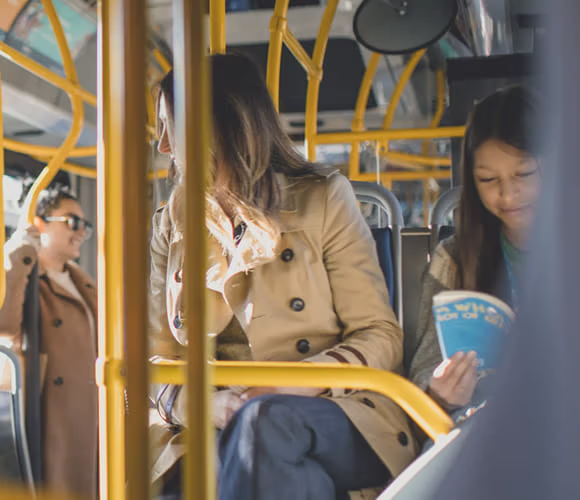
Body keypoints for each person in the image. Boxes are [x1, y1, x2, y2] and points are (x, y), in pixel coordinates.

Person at [148, 54, 414, 499]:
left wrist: (289, 386)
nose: (162, 147)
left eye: (168, 126)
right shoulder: (171, 223)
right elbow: (153, 358)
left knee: (260, 428)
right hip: (217, 417)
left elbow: (379, 335)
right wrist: (202, 405)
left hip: (330, 406)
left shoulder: (323, 199)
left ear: (214, 127)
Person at [409, 85, 537, 420]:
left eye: (524, 174)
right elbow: (425, 365)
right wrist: (441, 393)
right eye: (487, 179)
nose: (507, 195)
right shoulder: (454, 258)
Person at [0, 186, 98, 499]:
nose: (81, 233)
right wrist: (20, 254)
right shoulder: (18, 273)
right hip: (49, 410)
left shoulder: (80, 280)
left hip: (89, 409)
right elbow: (1, 324)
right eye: (72, 222)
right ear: (40, 222)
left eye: (84, 226)